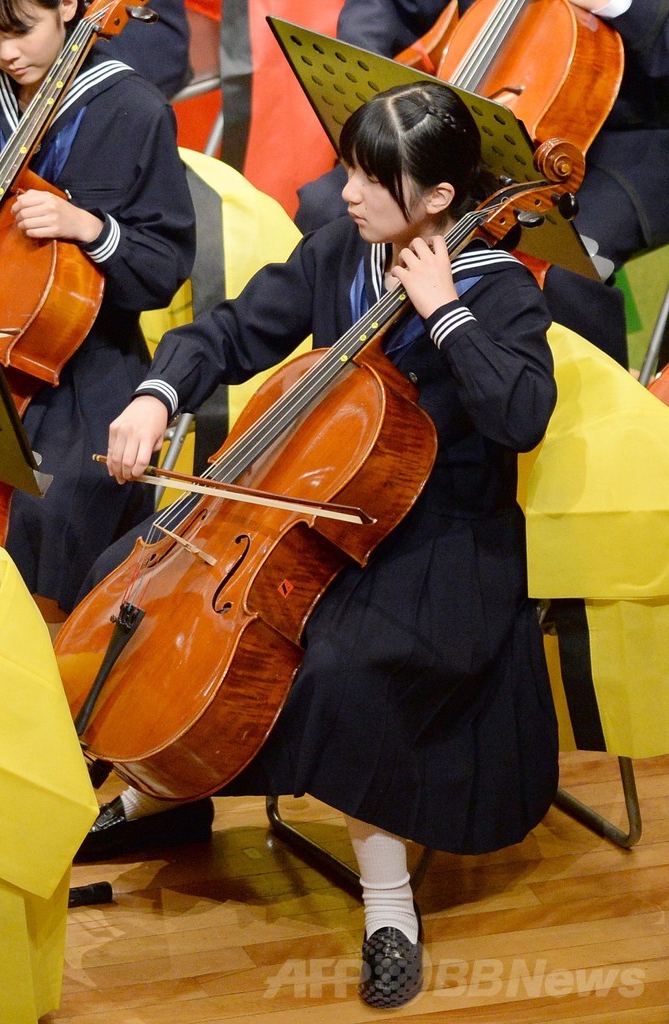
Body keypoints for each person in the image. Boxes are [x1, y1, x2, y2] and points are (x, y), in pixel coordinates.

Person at [71, 79, 560, 1008]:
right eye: (347, 169)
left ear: (439, 200)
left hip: (442, 537)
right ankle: (160, 792)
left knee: (340, 669)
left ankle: (388, 907)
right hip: (312, 512)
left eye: (372, 180)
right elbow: (231, 328)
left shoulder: (500, 294)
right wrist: (157, 394)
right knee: (125, 584)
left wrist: (446, 314)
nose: (345, 194)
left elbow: (523, 415)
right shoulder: (341, 250)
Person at [0, 0, 196, 617]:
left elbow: (163, 267)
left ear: (68, 5)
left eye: (19, 31)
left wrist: (91, 228)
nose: (4, 53)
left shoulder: (135, 109)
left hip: (79, 364)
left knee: (43, 509)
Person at [296, 0, 669, 371]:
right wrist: (370, 90)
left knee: (562, 266)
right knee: (328, 205)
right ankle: (350, 387)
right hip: (490, 104)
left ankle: (588, 412)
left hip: (631, 141)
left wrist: (617, 5)